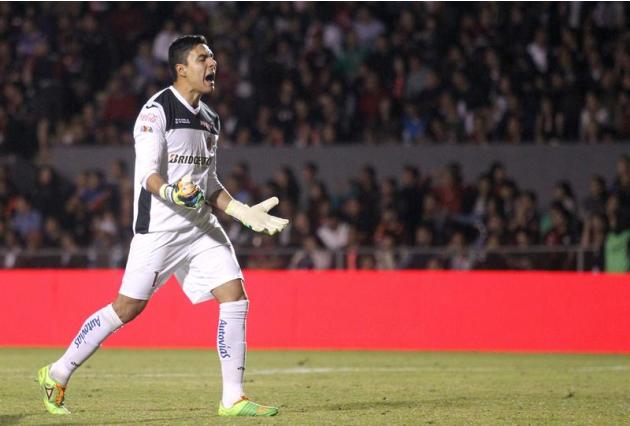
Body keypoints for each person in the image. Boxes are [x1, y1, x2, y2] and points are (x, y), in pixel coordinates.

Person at [37, 35, 288, 417]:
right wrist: (173, 193)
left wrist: (238, 210)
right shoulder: (157, 112)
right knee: (126, 308)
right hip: (160, 229)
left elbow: (209, 183)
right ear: (181, 69)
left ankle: (232, 398)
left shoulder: (210, 118)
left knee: (235, 296)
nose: (213, 63)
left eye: (213, 56)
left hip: (200, 227)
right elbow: (148, 177)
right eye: (203, 57)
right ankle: (57, 372)